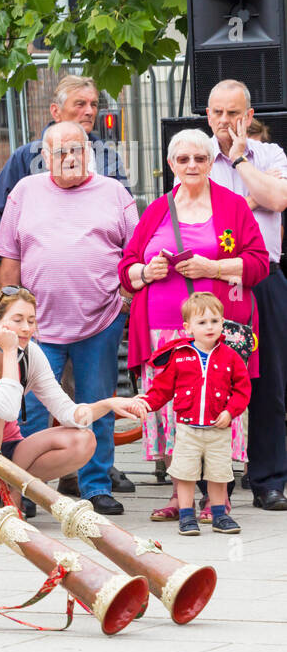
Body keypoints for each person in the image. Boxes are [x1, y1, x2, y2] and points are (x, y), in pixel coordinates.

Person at [119, 128, 269, 522]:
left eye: (199, 159)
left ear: (210, 163)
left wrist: (213, 267)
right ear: (170, 165)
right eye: (182, 159)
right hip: (162, 332)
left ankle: (218, 497)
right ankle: (179, 495)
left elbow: (258, 263)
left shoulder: (233, 206)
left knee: (218, 407)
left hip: (216, 330)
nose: (191, 165)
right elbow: (126, 267)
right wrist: (144, 270)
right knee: (173, 412)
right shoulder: (156, 209)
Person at [0, 120, 139, 515]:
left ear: (89, 153)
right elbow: (10, 257)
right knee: (34, 409)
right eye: (60, 152)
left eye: (77, 149)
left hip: (101, 319)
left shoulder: (115, 193)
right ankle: (29, 487)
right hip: (36, 327)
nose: (70, 157)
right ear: (45, 157)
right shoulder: (24, 191)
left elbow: (136, 252)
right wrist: (10, 313)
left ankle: (95, 486)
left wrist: (124, 299)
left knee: (98, 403)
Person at [0, 287, 146, 532]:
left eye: (31, 320)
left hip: (8, 448)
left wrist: (108, 404)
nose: (27, 328)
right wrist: (8, 351)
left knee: (84, 439)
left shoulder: (31, 355)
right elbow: (5, 410)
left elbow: (67, 412)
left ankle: (10, 491)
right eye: (17, 320)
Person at [204, 79, 287, 512]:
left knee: (270, 382)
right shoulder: (196, 155)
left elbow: (279, 196)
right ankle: (214, 479)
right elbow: (204, 215)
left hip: (264, 279)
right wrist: (252, 199)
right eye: (217, 112)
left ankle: (269, 479)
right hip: (214, 281)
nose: (224, 121)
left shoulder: (270, 155)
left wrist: (239, 162)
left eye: (233, 113)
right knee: (211, 380)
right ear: (207, 114)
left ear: (248, 116)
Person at [136, 292, 250, 536]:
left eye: (214, 321)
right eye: (202, 322)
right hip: (187, 429)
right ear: (188, 328)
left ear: (223, 323)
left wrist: (231, 412)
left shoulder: (231, 357)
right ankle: (187, 517)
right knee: (185, 474)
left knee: (218, 475)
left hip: (218, 429)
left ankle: (220, 515)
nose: (209, 327)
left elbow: (242, 389)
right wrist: (146, 404)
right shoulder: (180, 356)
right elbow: (162, 389)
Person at [0, 74, 128, 247]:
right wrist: (21, 261)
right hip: (42, 270)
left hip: (100, 270)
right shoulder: (26, 157)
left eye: (94, 104)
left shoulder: (108, 157)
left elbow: (126, 215)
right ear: (55, 111)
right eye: (80, 104)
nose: (90, 111)